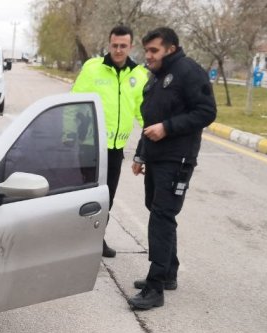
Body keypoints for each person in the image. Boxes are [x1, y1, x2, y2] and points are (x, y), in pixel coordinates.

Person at [127, 27, 217, 309]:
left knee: (162, 217)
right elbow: (150, 119)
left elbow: (206, 112)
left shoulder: (189, 72)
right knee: (157, 211)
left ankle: (155, 288)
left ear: (171, 49)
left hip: (177, 159)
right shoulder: (157, 76)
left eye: (154, 50)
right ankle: (168, 272)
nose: (148, 56)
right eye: (147, 50)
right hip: (156, 157)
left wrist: (167, 128)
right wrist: (141, 154)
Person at [71, 25, 149, 258]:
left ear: (130, 46)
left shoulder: (139, 75)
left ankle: (96, 239)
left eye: (123, 46)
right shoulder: (93, 68)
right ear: (109, 44)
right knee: (86, 196)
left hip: (115, 149)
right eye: (114, 45)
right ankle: (78, 243)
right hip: (90, 146)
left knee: (107, 198)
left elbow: (143, 111)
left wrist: (153, 135)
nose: (118, 50)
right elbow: (75, 102)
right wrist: (67, 137)